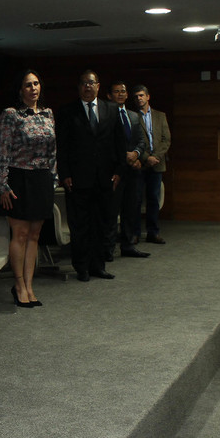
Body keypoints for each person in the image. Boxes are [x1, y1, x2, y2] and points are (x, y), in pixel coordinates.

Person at [57, 70, 126, 281]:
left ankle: (99, 265)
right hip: (78, 179)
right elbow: (63, 146)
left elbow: (120, 144)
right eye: (83, 83)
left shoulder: (112, 109)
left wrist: (118, 171)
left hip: (105, 178)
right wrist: (65, 174)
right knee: (80, 226)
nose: (87, 86)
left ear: (98, 86)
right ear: (79, 87)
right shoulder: (68, 111)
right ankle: (82, 267)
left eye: (91, 83)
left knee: (102, 224)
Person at [0, 70, 56, 307]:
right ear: (20, 90)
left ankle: (30, 286)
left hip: (42, 178)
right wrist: (2, 184)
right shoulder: (11, 115)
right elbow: (3, 150)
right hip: (18, 178)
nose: (33, 88)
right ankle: (19, 285)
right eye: (28, 85)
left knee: (35, 235)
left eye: (36, 83)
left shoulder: (49, 113)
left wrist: (53, 178)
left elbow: (53, 151)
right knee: (20, 234)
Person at [107, 81, 149, 259]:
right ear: (109, 96)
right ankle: (108, 249)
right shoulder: (106, 116)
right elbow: (105, 142)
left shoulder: (132, 115)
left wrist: (136, 154)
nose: (121, 94)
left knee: (131, 210)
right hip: (115, 170)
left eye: (123, 91)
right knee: (111, 211)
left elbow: (141, 140)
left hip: (133, 170)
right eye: (117, 92)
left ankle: (128, 245)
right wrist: (122, 155)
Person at [133, 85, 170, 245]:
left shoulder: (160, 116)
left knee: (154, 199)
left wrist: (155, 157)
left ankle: (153, 232)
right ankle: (134, 233)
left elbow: (166, 139)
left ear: (148, 97)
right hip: (140, 163)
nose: (139, 98)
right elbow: (133, 141)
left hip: (157, 164)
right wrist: (147, 157)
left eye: (141, 95)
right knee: (136, 199)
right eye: (136, 96)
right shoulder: (132, 116)